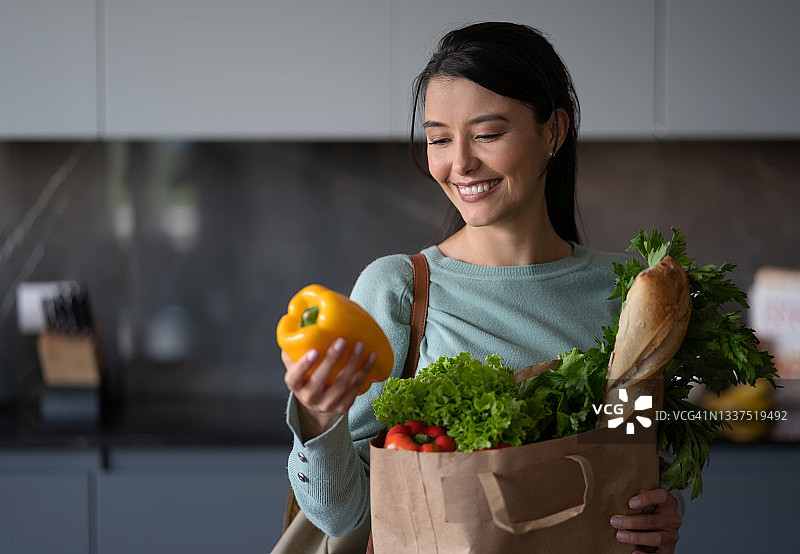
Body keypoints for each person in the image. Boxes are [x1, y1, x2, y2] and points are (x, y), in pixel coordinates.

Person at [282, 21, 682, 553]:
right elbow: (343, 515)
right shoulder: (401, 289)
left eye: (488, 134)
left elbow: (635, 459)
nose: (461, 162)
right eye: (440, 139)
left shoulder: (629, 295)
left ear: (553, 133)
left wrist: (656, 517)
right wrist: (318, 418)